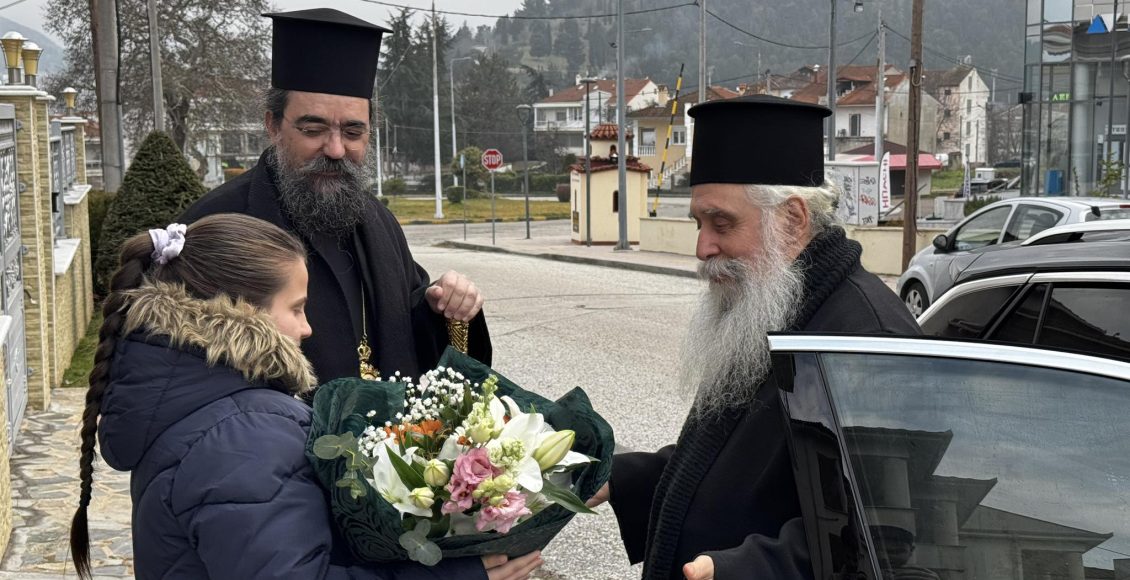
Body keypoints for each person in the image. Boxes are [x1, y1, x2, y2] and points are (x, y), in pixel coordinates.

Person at [67, 214, 542, 580]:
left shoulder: (196, 401)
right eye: (296, 308)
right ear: (240, 312)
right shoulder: (243, 435)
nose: (308, 327)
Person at [586, 95, 922, 579]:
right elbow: (727, 462)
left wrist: (740, 570)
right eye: (698, 223)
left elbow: (883, 534)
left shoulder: (868, 339)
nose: (703, 248)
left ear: (792, 220)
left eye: (721, 223)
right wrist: (619, 478)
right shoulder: (769, 302)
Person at [179, 8, 489, 385]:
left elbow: (409, 333)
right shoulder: (214, 226)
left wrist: (443, 306)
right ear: (273, 125)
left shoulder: (379, 220)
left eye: (353, 132)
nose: (337, 149)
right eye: (314, 129)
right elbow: (180, 376)